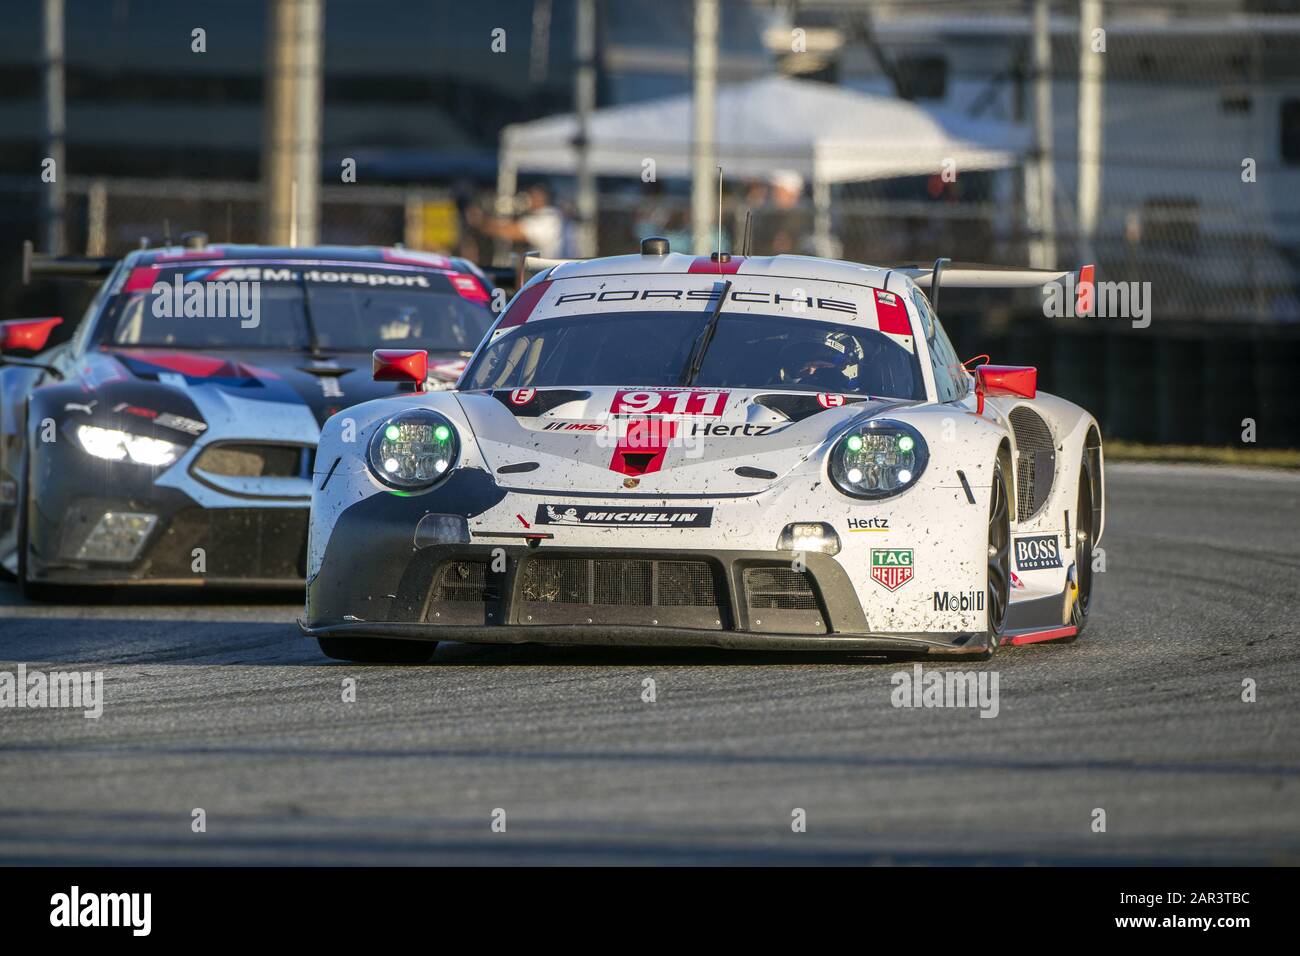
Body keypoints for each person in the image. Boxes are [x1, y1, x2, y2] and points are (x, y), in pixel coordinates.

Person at [467, 183, 566, 259]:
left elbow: (511, 231)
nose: (527, 200)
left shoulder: (548, 219)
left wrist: (481, 221)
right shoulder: (553, 215)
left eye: (531, 196)